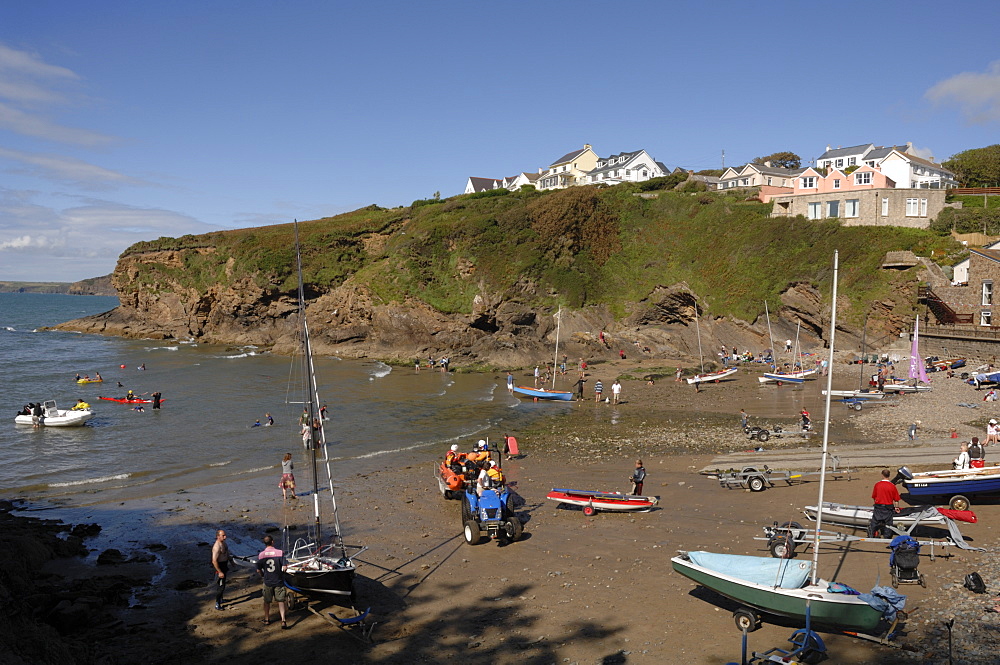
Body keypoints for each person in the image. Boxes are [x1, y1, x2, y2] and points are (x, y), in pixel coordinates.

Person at [256, 535, 289, 629]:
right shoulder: (280, 553)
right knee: (281, 601)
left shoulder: (261, 555)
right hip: (278, 580)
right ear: (273, 542)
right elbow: (285, 567)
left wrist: (262, 575)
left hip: (268, 581)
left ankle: (267, 619)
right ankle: (283, 620)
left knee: (267, 601)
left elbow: (258, 570)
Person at [867, 469, 901, 538]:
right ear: (889, 475)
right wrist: (897, 508)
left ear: (882, 475)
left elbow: (874, 497)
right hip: (888, 507)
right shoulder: (892, 486)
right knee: (888, 524)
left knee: (874, 522)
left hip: (879, 506)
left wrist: (876, 504)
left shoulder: (877, 485)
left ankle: (871, 535)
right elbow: (896, 499)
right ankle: (887, 537)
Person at [211, 529, 231, 610]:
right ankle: (217, 603)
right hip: (219, 567)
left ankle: (221, 599)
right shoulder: (217, 547)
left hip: (224, 565)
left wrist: (231, 561)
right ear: (218, 536)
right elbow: (214, 561)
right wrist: (219, 571)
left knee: (223, 584)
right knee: (221, 586)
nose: (225, 537)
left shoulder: (224, 543)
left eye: (225, 535)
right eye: (223, 535)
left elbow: (226, 553)